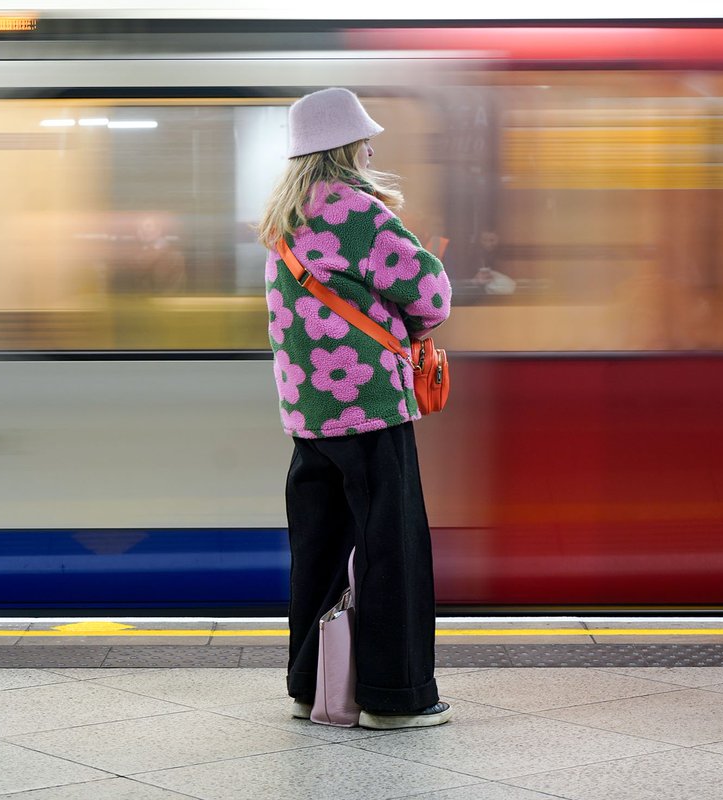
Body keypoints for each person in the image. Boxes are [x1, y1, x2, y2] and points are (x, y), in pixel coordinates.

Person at [256, 87, 453, 729]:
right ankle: (394, 699)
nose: (372, 147)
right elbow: (432, 294)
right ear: (347, 148)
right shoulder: (355, 212)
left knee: (318, 549)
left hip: (308, 417)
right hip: (369, 410)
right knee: (390, 549)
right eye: (365, 138)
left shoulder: (284, 218)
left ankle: (313, 687)